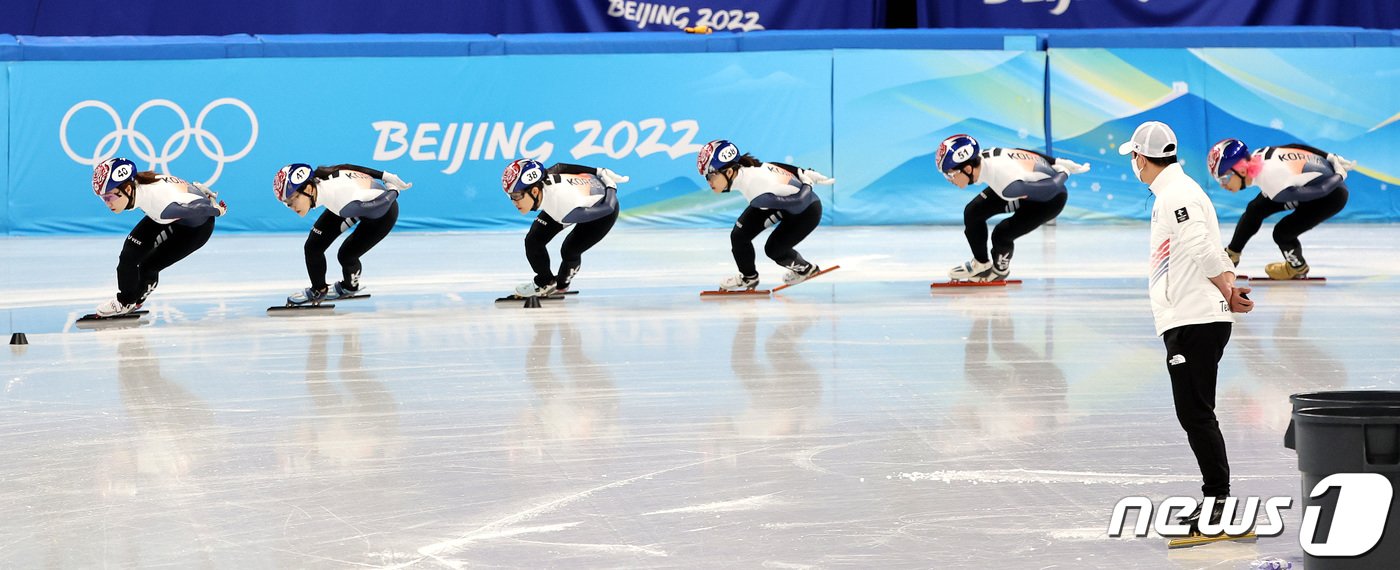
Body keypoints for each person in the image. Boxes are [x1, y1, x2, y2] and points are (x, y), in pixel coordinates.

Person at [1120, 121, 1254, 535]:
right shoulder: (1175, 192)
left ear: (1141, 158)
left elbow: (1201, 248)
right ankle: (1217, 499)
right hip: (1192, 317)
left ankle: (1218, 503)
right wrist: (1227, 289)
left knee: (1195, 414)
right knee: (1195, 413)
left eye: (1133, 158)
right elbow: (1203, 247)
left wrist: (1228, 290)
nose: (1134, 165)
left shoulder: (1177, 194)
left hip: (1195, 319)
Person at [936, 134, 1089, 282]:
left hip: (1050, 199)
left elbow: (1053, 187)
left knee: (1002, 234)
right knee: (973, 212)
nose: (949, 180)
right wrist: (1057, 161)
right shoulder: (983, 156)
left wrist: (1064, 172)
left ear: (968, 169)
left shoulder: (1007, 185)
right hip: (1024, 186)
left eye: (950, 174)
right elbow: (1021, 151)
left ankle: (999, 271)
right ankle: (981, 264)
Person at [90, 157, 227, 316]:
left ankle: (130, 301)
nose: (107, 203)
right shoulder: (142, 184)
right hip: (170, 217)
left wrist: (216, 209)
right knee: (129, 254)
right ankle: (127, 300)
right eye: (103, 198)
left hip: (196, 230)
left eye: (109, 197)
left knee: (149, 266)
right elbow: (175, 186)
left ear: (128, 190)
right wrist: (196, 189)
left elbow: (197, 209)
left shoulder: (160, 205)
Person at [697, 139, 834, 291]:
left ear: (729, 172)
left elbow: (798, 201)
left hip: (806, 211)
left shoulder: (755, 190)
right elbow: (776, 165)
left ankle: (807, 269)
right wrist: (802, 172)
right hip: (781, 202)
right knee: (739, 235)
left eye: (710, 176)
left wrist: (807, 183)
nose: (708, 182)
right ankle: (749, 278)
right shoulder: (750, 169)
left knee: (774, 250)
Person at [1207, 138, 1354, 279]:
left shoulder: (1272, 182)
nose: (1222, 185)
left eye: (1223, 178)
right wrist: (1329, 156)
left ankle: (1297, 268)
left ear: (1242, 171)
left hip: (1331, 196)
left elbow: (1321, 190)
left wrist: (1339, 175)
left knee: (1282, 233)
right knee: (1255, 209)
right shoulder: (1260, 154)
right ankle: (1232, 255)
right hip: (1306, 184)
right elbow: (1295, 146)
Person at [273, 163, 411, 305]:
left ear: (308, 188)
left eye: (292, 199)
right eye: (286, 203)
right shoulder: (321, 176)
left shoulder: (343, 204)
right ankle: (318, 290)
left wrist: (394, 191)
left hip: (383, 212)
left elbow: (378, 205)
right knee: (313, 247)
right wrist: (385, 176)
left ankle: (349, 287)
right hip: (356, 200)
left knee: (346, 255)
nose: (291, 206)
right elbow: (347, 167)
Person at [500, 159, 624, 297]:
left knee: (569, 250)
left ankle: (561, 285)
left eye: (516, 196)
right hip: (574, 201)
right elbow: (561, 166)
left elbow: (608, 207)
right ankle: (545, 283)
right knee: (533, 241)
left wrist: (611, 186)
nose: (513, 202)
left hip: (603, 213)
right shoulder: (545, 178)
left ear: (535, 191)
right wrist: (599, 171)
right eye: (510, 196)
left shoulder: (562, 207)